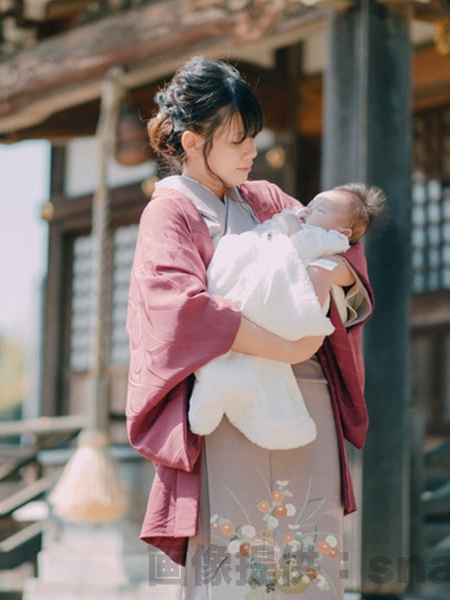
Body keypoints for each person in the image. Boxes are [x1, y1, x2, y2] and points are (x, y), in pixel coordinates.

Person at [125, 55, 381, 599]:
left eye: (253, 138)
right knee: (239, 564)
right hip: (229, 405)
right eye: (237, 139)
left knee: (309, 560)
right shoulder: (169, 214)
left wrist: (326, 273)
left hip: (306, 398)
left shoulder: (267, 201)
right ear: (193, 140)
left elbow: (344, 253)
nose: (251, 151)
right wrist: (288, 345)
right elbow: (179, 311)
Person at [188, 187, 384, 451]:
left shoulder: (319, 235)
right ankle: (216, 387)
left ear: (343, 233)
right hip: (241, 312)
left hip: (281, 310)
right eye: (312, 204)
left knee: (249, 364)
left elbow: (318, 255)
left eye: (320, 210)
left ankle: (224, 392)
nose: (308, 210)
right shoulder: (180, 200)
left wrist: (292, 233)